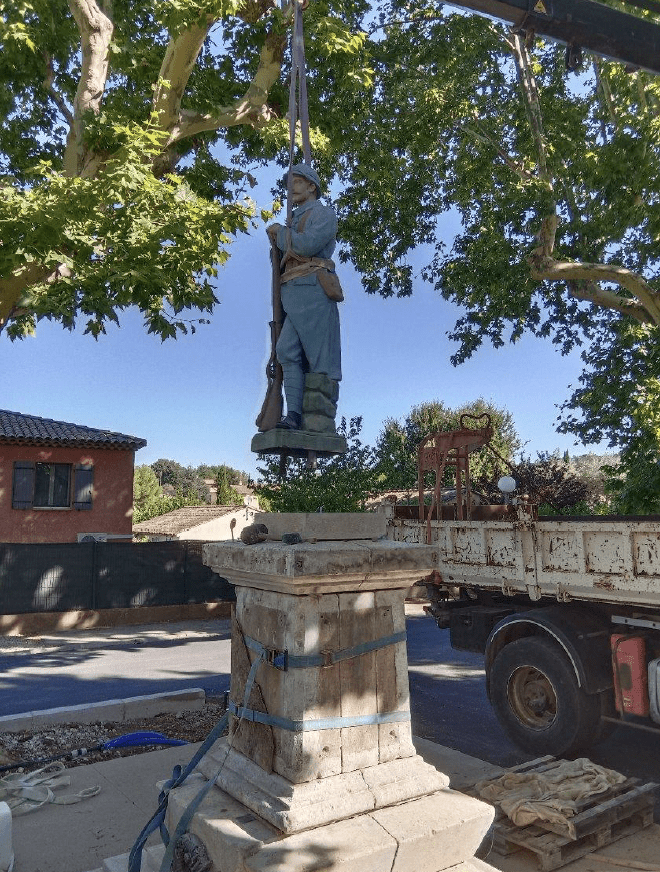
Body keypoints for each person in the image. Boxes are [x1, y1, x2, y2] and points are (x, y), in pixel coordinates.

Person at [266, 164, 342, 430]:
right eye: (290, 182)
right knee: (286, 351)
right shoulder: (294, 219)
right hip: (293, 291)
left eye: (298, 181)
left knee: (319, 359)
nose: (292, 187)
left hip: (314, 291)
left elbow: (308, 244)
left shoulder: (324, 214)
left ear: (312, 187)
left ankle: (318, 419)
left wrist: (281, 234)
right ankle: (294, 415)